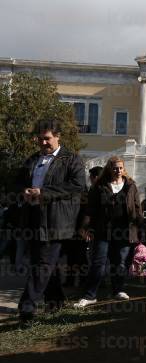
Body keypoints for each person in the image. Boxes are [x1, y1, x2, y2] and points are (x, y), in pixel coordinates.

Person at [17, 121, 86, 321]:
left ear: (58, 137)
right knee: (47, 263)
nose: (43, 142)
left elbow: (77, 185)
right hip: (33, 218)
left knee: (43, 263)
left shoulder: (71, 159)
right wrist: (24, 191)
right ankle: (55, 301)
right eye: (40, 139)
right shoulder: (33, 159)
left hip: (56, 220)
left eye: (47, 138)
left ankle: (27, 308)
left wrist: (44, 193)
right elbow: (19, 181)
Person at [74, 157, 142, 307]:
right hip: (103, 230)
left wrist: (139, 228)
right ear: (109, 169)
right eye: (115, 168)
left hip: (124, 230)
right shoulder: (99, 186)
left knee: (120, 262)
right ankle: (90, 295)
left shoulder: (131, 185)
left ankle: (118, 290)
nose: (118, 171)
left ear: (124, 169)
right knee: (98, 263)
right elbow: (91, 209)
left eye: (120, 168)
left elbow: (137, 208)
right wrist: (85, 227)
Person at [62, 166, 103, 287]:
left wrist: (84, 228)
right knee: (74, 256)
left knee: (80, 257)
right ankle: (73, 280)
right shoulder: (88, 190)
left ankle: (82, 280)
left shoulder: (91, 192)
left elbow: (87, 213)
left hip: (81, 228)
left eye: (91, 177)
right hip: (74, 228)